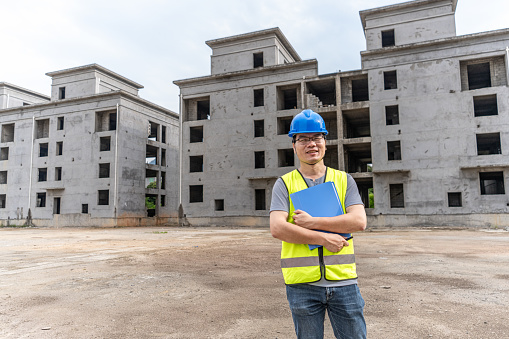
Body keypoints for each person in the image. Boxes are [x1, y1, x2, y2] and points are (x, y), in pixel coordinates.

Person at [270, 109, 367, 339]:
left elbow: (358, 221)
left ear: (325, 141)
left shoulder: (344, 180)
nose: (311, 144)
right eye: (303, 139)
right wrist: (323, 238)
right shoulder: (284, 184)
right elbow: (277, 228)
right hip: (303, 285)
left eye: (316, 137)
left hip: (344, 282)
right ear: (294, 145)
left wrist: (312, 222)